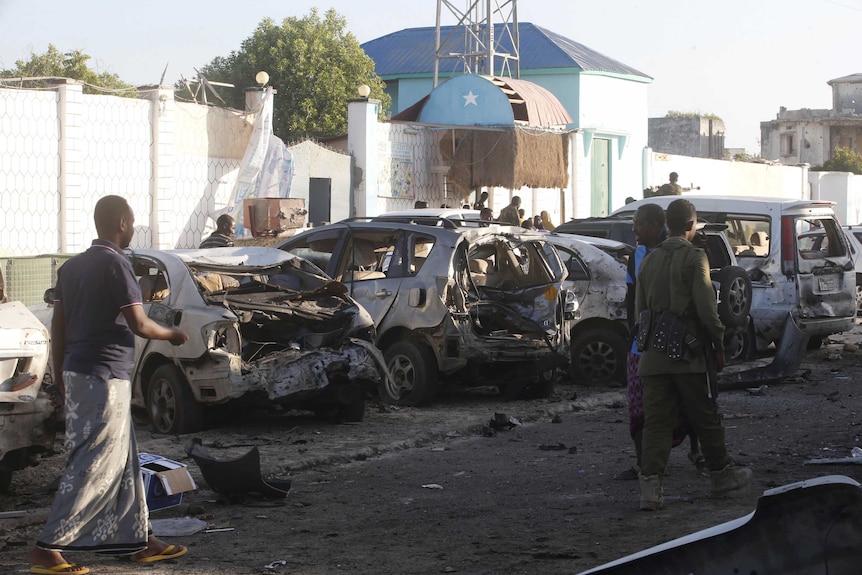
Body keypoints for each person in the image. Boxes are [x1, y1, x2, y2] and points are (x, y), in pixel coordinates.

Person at [30, 195, 190, 574]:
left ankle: (138, 540)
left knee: (125, 463)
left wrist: (61, 376)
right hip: (104, 375)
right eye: (131, 222)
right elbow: (138, 324)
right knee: (94, 461)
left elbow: (59, 325)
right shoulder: (117, 265)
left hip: (81, 372)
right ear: (120, 222)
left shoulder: (72, 268)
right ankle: (47, 547)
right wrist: (172, 334)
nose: (133, 228)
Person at [635, 199, 751, 510]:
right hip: (688, 357)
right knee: (705, 415)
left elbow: (640, 313)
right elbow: (707, 311)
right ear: (691, 225)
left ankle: (650, 489)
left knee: (656, 424)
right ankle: (720, 475)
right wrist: (718, 343)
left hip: (653, 356)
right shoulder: (695, 258)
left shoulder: (648, 261)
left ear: (665, 225)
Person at [615, 204, 704, 482]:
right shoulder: (638, 256)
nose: (635, 230)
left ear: (657, 225)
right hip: (645, 344)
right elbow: (634, 301)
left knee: (691, 400)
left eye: (639, 224)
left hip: (678, 342)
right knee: (643, 408)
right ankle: (646, 464)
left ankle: (697, 453)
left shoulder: (683, 254)